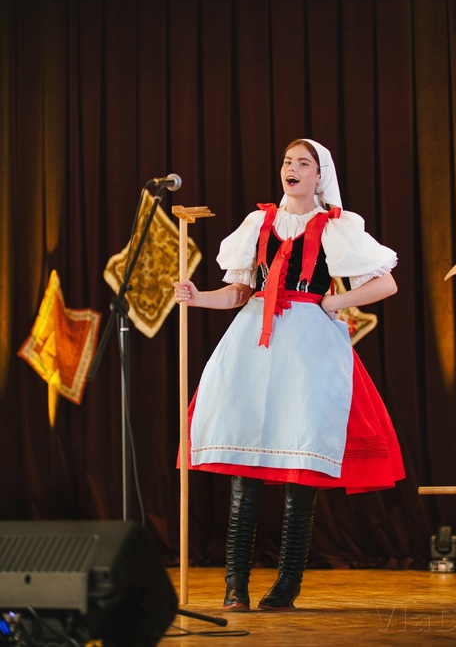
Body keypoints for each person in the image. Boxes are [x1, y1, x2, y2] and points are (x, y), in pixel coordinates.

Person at [174, 138, 404, 612]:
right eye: (287, 162)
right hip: (253, 344)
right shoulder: (258, 223)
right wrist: (197, 298)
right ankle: (235, 585)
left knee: (301, 464)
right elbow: (239, 292)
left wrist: (333, 301)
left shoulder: (335, 226)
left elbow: (386, 282)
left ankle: (286, 586)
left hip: (307, 348)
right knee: (245, 463)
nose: (291, 169)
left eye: (303, 163)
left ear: (320, 176)